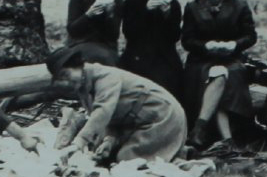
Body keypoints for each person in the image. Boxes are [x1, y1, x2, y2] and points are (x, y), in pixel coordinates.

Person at [46, 46, 187, 162]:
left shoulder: (105, 76)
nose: (66, 82)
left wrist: (79, 142)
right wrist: (109, 140)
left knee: (126, 160)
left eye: (66, 75)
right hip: (136, 122)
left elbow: (103, 111)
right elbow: (110, 119)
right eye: (60, 79)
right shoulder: (83, 87)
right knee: (104, 157)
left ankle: (175, 152)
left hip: (163, 116)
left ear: (79, 65)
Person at [182, 0, 257, 151]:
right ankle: (227, 140)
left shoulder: (239, 5)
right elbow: (187, 40)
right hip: (201, 60)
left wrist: (234, 45)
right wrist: (205, 46)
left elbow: (250, 36)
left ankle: (200, 128)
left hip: (231, 58)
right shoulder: (192, 7)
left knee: (224, 74)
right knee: (218, 75)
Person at [119, 0, 182, 98]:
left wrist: (167, 15)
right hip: (137, 54)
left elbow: (175, 37)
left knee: (169, 81)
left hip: (164, 55)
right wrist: (146, 11)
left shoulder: (172, 2)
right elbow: (129, 33)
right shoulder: (132, 1)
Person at [66, 0, 123, 65]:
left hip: (105, 46)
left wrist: (109, 15)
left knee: (106, 59)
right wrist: (88, 15)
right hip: (80, 43)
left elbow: (114, 36)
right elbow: (72, 29)